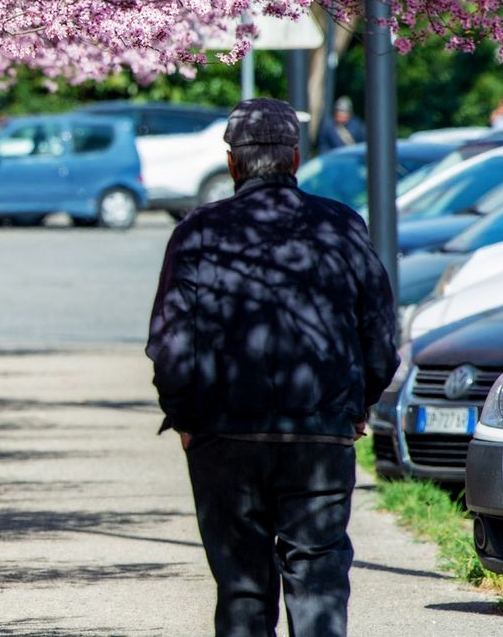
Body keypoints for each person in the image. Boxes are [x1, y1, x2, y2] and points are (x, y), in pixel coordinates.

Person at [146, 97, 398, 637]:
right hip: (319, 432)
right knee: (319, 577)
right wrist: (360, 404)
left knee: (242, 586)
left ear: (233, 163)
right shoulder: (340, 225)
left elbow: (170, 343)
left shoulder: (198, 230)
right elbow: (379, 331)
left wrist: (186, 417)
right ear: (295, 159)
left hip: (225, 435)